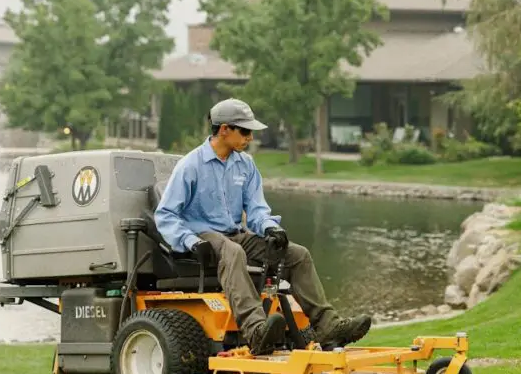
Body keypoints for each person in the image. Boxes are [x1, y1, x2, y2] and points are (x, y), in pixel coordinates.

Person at [154, 97, 372, 355]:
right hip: (201, 237)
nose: (250, 137)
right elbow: (166, 215)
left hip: (235, 235)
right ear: (224, 129)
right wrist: (191, 242)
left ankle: (327, 327)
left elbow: (257, 209)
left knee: (297, 255)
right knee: (232, 251)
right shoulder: (191, 165)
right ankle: (256, 330)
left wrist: (270, 228)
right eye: (245, 131)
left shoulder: (245, 164)